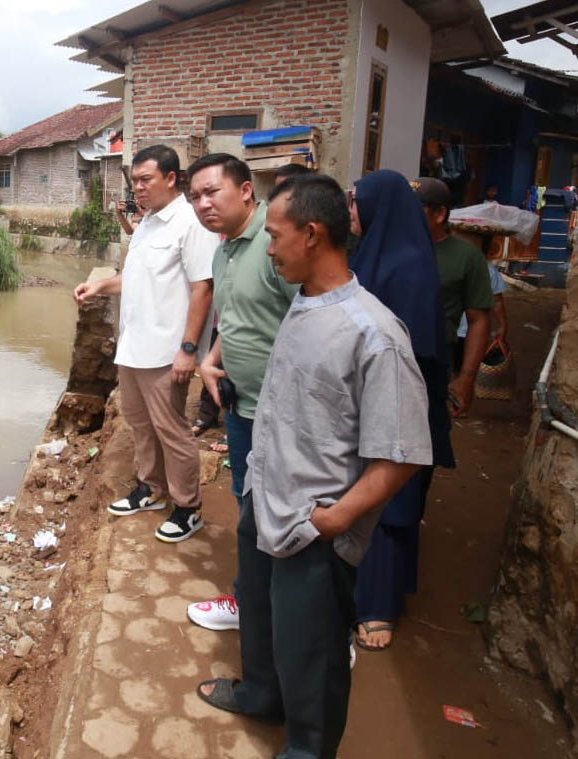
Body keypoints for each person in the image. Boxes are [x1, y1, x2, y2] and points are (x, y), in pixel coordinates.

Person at [196, 174, 432, 759]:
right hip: (266, 493)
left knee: (313, 646)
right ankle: (261, 694)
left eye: (275, 236)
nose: (268, 248)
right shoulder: (303, 302)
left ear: (312, 233)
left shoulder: (375, 335)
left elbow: (401, 456)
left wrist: (336, 520)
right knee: (260, 610)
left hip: (313, 523)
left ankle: (307, 748)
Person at [75, 144, 217, 542]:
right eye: (134, 181)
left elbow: (203, 288)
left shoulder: (190, 224)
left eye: (145, 180)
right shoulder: (149, 223)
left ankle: (187, 506)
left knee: (172, 429)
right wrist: (100, 285)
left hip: (166, 352)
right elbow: (132, 279)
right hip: (133, 347)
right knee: (139, 423)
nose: (137, 188)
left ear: (171, 179)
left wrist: (189, 350)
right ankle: (151, 488)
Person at [183, 153, 300, 631]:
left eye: (212, 192)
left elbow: (311, 319)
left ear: (246, 190)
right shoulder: (224, 248)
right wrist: (210, 363)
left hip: (286, 414)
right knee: (247, 503)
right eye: (196, 197)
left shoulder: (277, 244)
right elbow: (235, 320)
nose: (203, 204)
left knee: (288, 513)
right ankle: (250, 600)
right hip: (241, 405)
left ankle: (303, 619)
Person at [346, 170, 456, 652]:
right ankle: (358, 591)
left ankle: (378, 607)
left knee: (392, 502)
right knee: (365, 492)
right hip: (367, 399)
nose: (351, 212)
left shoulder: (408, 266)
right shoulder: (372, 255)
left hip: (400, 404)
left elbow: (418, 352)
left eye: (356, 203)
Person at [414, 177, 493, 416]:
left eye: (415, 209)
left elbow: (479, 320)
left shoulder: (467, 257)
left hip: (435, 359)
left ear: (440, 214)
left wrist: (466, 377)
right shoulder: (394, 249)